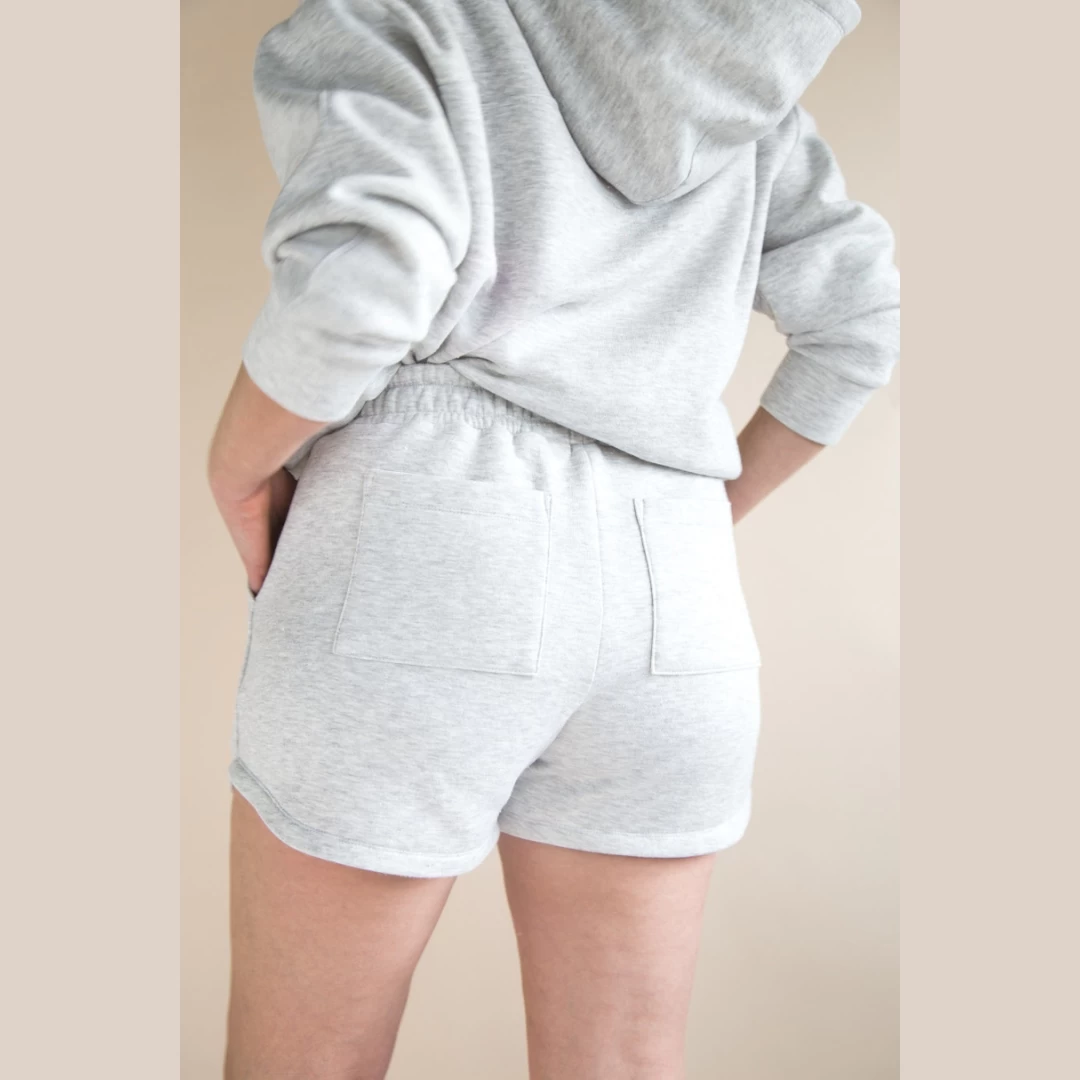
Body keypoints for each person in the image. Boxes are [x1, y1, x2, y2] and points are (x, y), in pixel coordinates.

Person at [207, 0, 899, 1076]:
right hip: (677, 591)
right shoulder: (746, 98)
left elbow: (368, 283)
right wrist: (701, 518)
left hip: (426, 534)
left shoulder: (402, 25)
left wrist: (235, 466)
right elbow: (861, 323)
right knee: (620, 1060)